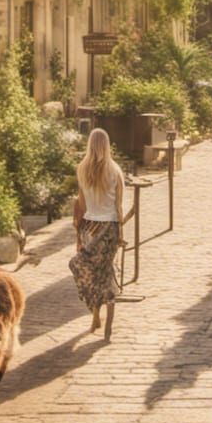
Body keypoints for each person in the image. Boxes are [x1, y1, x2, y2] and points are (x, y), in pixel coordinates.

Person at [69, 128, 125, 341]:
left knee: (88, 271)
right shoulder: (115, 170)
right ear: (107, 145)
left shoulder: (81, 169)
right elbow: (118, 207)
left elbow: (81, 205)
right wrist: (121, 233)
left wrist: (78, 233)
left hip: (89, 227)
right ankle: (108, 325)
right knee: (106, 272)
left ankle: (95, 315)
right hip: (109, 227)